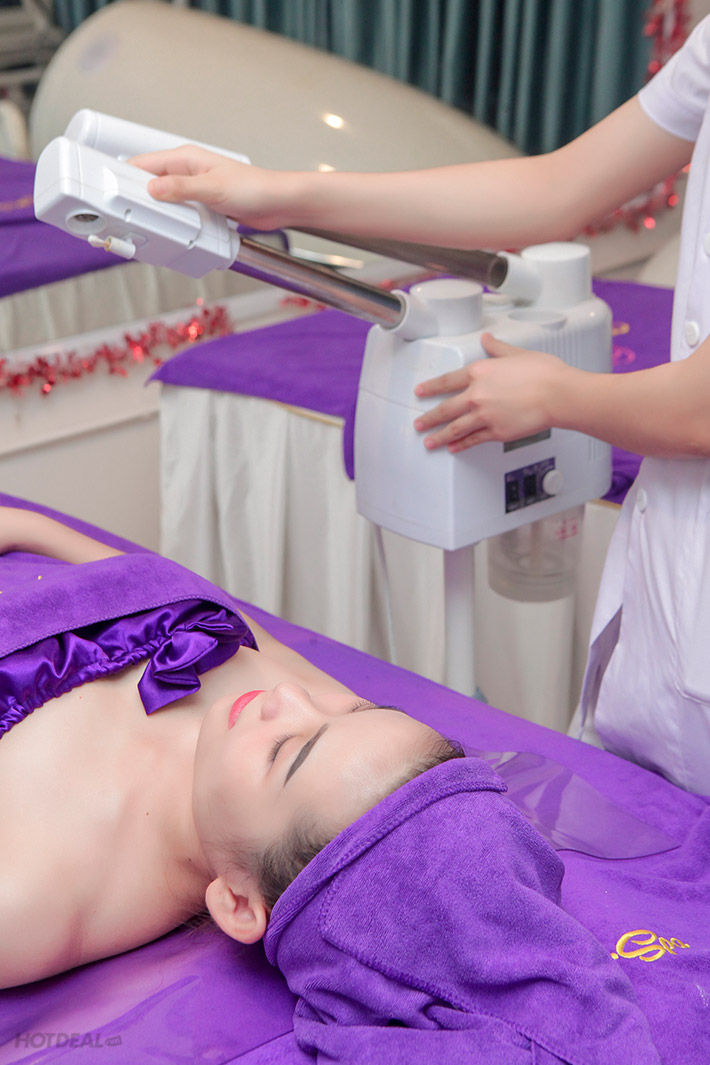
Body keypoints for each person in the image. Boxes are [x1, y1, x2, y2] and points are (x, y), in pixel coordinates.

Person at [133, 17, 710, 794]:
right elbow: (555, 188)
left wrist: (555, 395)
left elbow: (699, 410)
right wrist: (279, 195)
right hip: (670, 602)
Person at [0, 502, 463, 990]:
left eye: (284, 752)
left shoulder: (33, 901)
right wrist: (30, 529)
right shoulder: (339, 736)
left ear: (239, 903)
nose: (290, 696)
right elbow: (152, 589)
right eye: (356, 710)